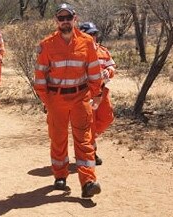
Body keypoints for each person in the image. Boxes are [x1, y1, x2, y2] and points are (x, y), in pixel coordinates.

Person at [34, 3, 103, 198]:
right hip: (56, 99)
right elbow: (40, 76)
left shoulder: (87, 42)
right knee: (58, 138)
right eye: (61, 18)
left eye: (68, 17)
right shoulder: (47, 45)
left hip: (81, 97)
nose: (65, 21)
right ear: (56, 21)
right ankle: (60, 175)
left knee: (84, 140)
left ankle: (88, 181)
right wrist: (47, 101)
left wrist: (97, 93)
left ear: (75, 19)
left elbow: (94, 70)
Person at [79, 22, 116, 166]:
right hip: (86, 93)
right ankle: (91, 153)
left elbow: (111, 65)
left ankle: (89, 140)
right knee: (90, 123)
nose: (93, 37)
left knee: (107, 118)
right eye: (89, 34)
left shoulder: (103, 51)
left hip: (102, 90)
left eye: (94, 34)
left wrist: (109, 71)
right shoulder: (78, 53)